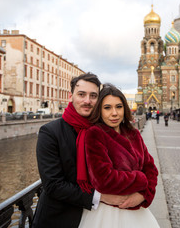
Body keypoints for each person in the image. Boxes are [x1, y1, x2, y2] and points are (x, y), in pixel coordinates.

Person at [32, 73, 127, 228]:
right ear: (71, 96)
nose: (87, 101)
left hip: (97, 219)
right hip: (58, 220)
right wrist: (101, 197)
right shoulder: (50, 132)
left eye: (93, 96)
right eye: (81, 94)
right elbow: (53, 185)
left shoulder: (105, 131)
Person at [79, 84, 159, 228]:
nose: (114, 113)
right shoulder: (96, 133)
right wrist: (141, 179)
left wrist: (143, 195)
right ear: (100, 111)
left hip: (137, 210)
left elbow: (150, 168)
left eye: (119, 107)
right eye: (107, 108)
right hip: (108, 214)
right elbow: (102, 179)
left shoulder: (132, 133)